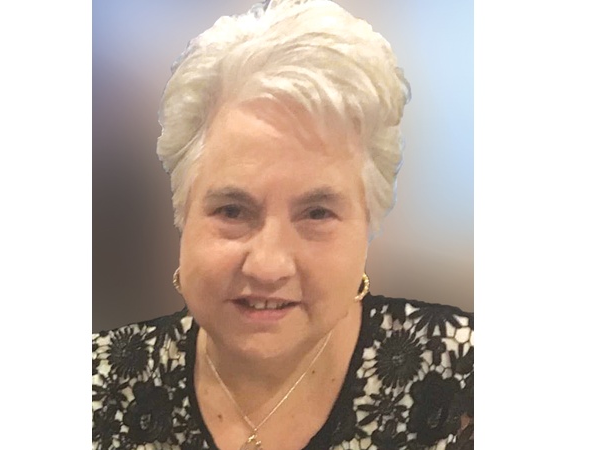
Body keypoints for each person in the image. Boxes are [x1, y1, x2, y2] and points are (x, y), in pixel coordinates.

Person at [92, 0, 474, 449]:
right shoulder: (95, 384)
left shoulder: (463, 377)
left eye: (317, 214)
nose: (268, 266)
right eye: (232, 211)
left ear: (369, 222)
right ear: (182, 214)